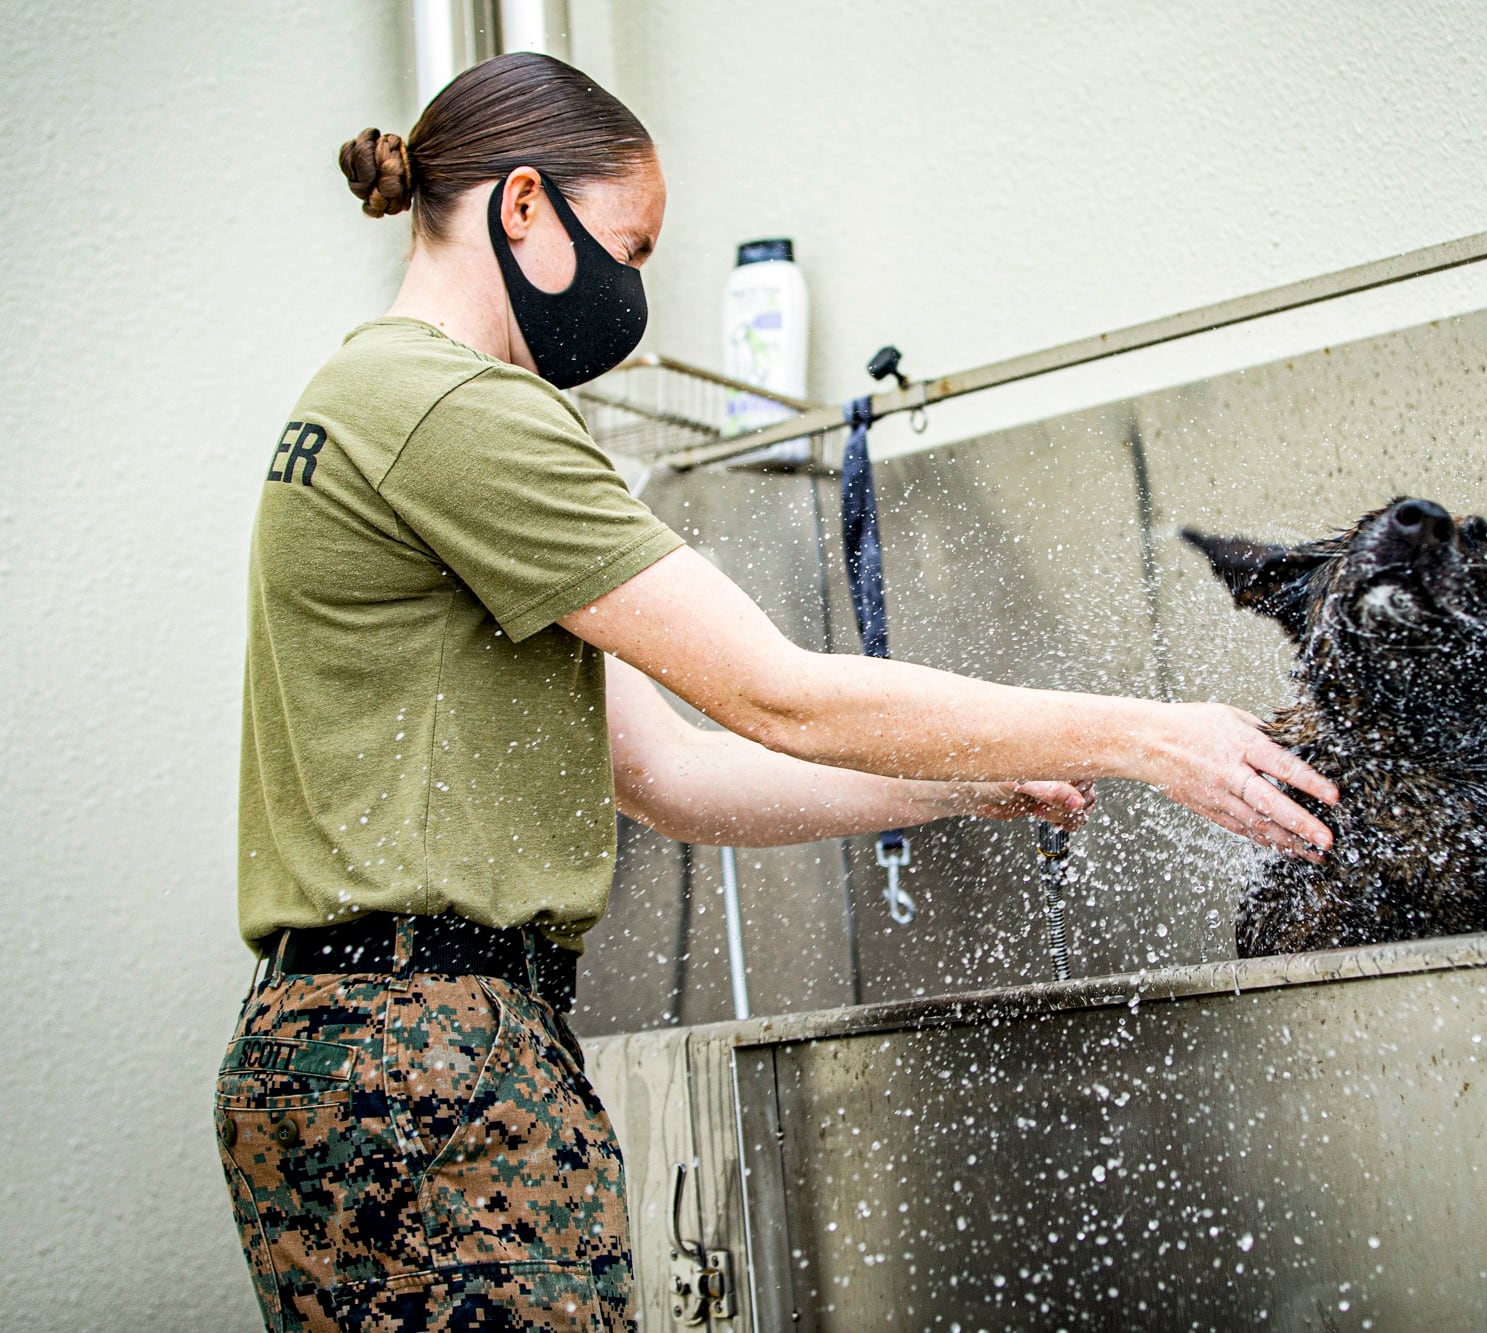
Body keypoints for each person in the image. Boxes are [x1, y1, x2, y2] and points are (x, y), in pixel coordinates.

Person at [218, 52, 1339, 1331]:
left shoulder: (370, 401)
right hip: (430, 1054)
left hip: (353, 1044)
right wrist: (1146, 733)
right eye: (627, 248)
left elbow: (670, 776)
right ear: (521, 205)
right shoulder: (457, 412)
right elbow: (779, 692)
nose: (628, 290)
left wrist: (961, 781)